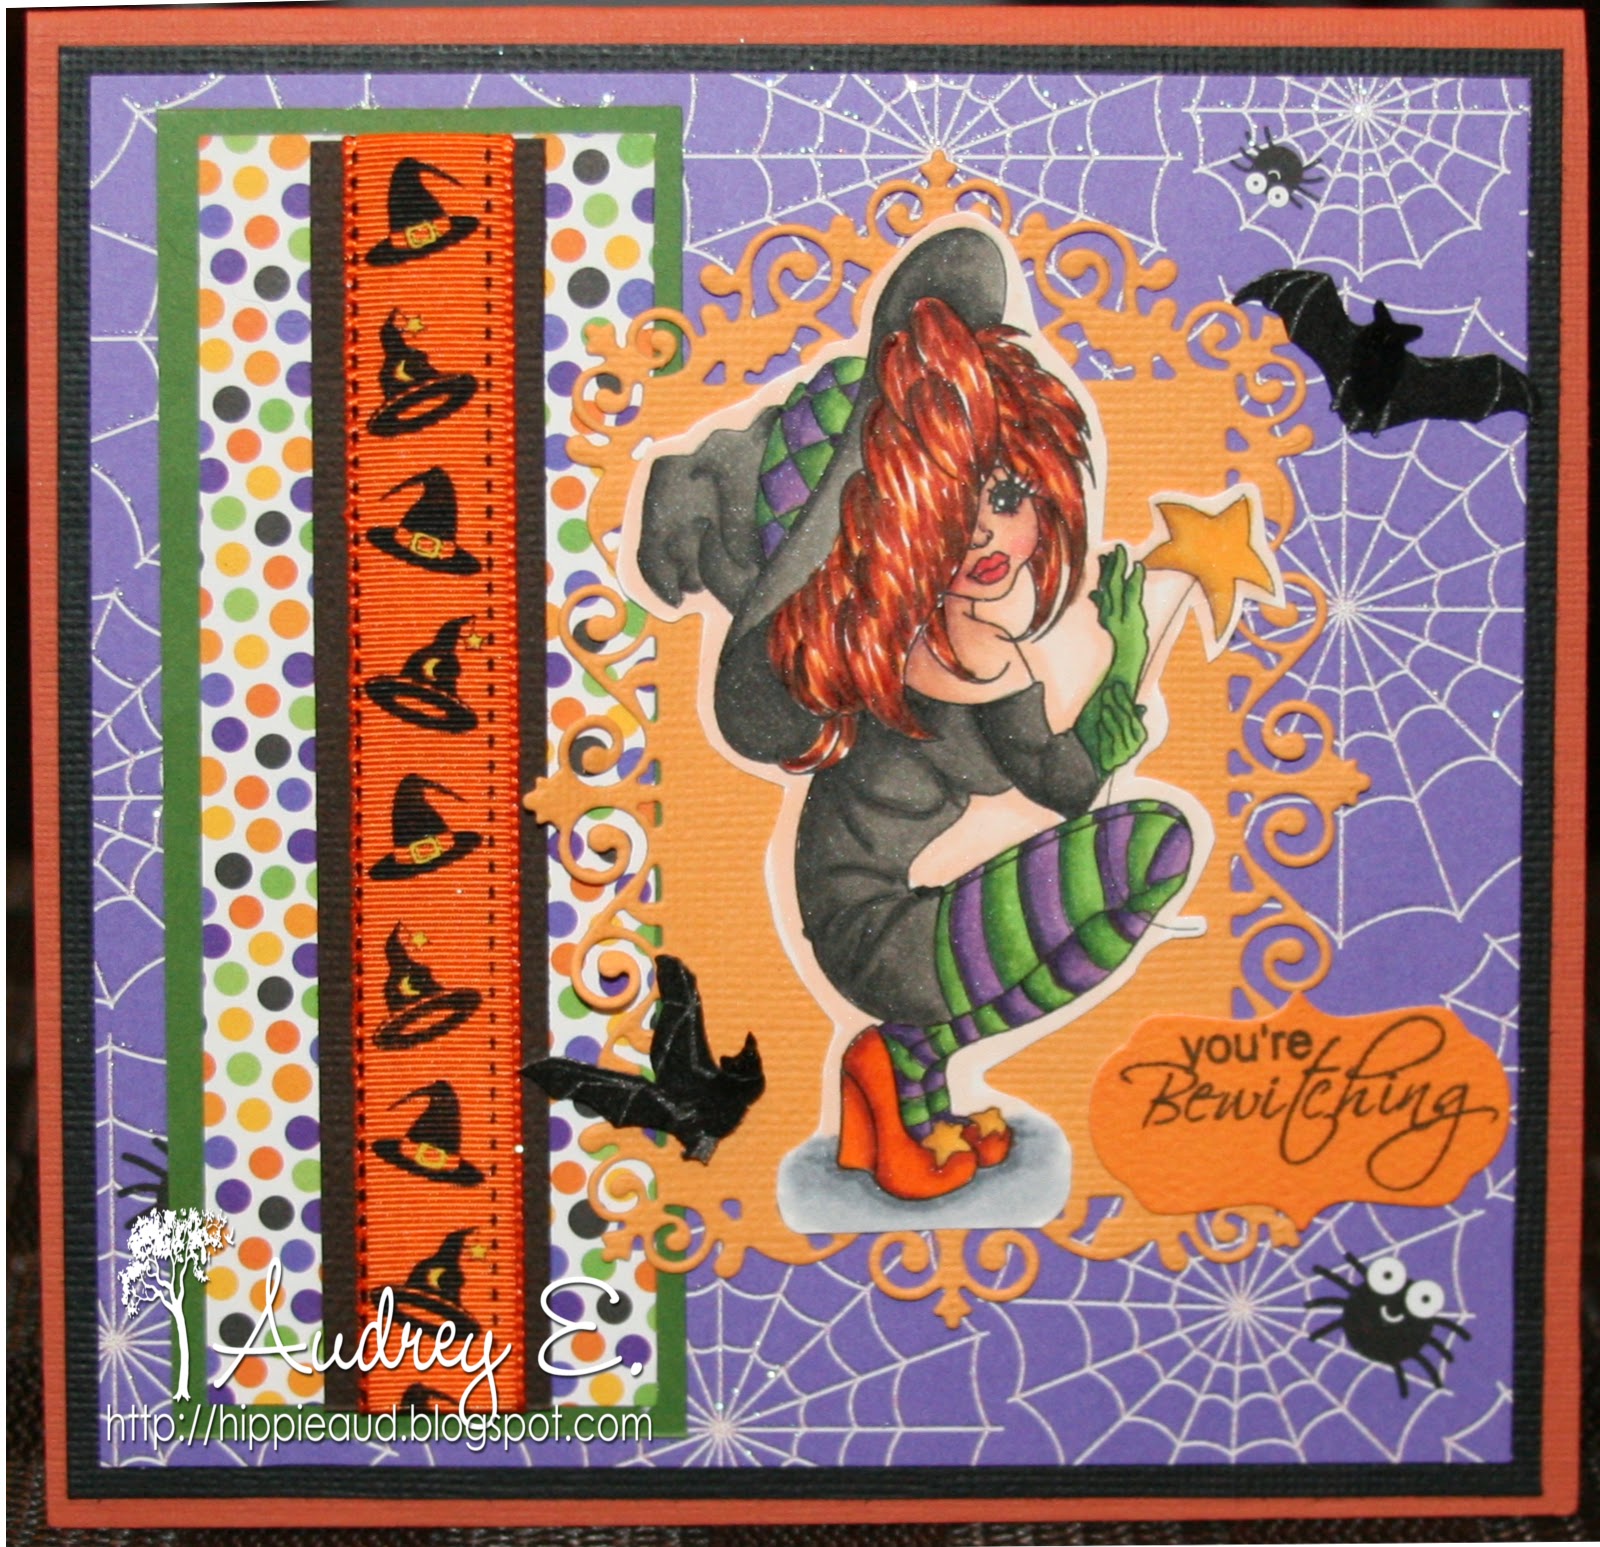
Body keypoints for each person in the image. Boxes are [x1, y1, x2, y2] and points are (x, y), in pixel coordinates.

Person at [637, 226, 1193, 1201]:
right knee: (1150, 846)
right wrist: (1120, 677)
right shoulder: (965, 649)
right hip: (875, 927)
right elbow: (1067, 787)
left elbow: (1052, 777)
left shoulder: (934, 641)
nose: (986, 529)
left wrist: (1117, 672)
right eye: (948, 506)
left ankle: (905, 1092)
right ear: (896, 526)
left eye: (1007, 491)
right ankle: (904, 1066)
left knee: (1118, 861)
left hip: (870, 918)